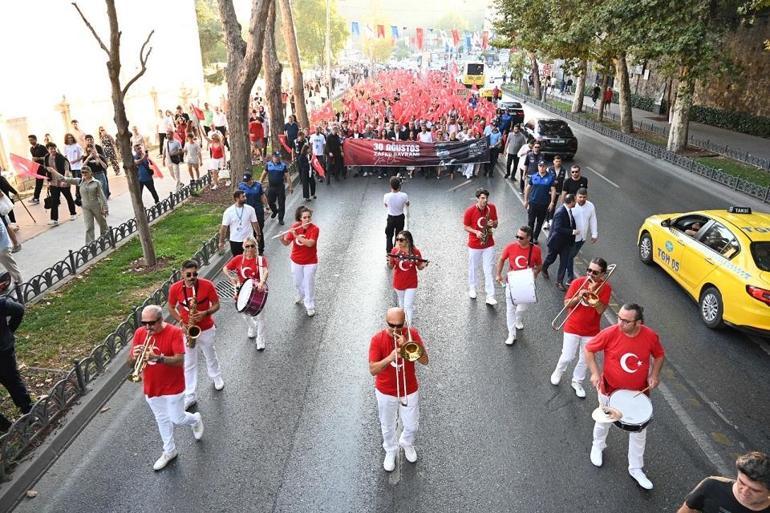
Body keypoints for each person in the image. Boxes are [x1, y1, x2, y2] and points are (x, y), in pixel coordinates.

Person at [585, 303, 665, 490]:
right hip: (609, 389)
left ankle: (636, 468)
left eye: (626, 321)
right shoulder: (610, 333)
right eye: (619, 318)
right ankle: (598, 446)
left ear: (639, 322)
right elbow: (589, 349)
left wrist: (654, 374)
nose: (620, 323)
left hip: (637, 393)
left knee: (639, 432)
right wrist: (595, 373)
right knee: (603, 421)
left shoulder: (650, 336)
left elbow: (659, 355)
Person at [128, 304, 203, 470]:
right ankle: (169, 451)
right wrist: (135, 357)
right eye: (144, 323)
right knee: (161, 419)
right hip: (152, 386)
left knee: (177, 418)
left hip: (173, 386)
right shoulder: (140, 333)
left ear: (161, 319)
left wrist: (158, 357)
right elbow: (130, 363)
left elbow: (179, 360)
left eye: (151, 323)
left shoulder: (174, 332)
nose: (147, 327)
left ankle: (195, 419)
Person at [368, 307, 429, 472]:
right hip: (385, 391)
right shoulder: (377, 339)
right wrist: (389, 358)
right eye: (391, 325)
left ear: (405, 322)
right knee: (387, 425)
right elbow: (373, 369)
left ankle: (406, 442)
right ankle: (390, 449)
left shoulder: (412, 334)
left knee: (412, 425)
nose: (395, 329)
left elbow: (425, 360)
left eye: (399, 325)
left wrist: (409, 345)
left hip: (409, 389)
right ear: (386, 322)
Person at [550, 257, 611, 397]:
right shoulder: (578, 282)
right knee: (567, 356)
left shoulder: (606, 288)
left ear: (602, 274)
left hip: (591, 331)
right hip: (572, 326)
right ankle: (558, 371)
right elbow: (566, 303)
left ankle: (577, 381)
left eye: (595, 272)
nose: (590, 274)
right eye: (588, 270)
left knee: (585, 359)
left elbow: (601, 310)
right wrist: (579, 296)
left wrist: (593, 298)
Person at [168, 260, 223, 410]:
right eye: (189, 274)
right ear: (182, 274)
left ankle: (216, 376)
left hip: (205, 328)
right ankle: (190, 394)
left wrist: (205, 313)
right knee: (189, 363)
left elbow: (217, 304)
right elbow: (171, 307)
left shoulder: (206, 285)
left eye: (195, 274)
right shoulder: (175, 288)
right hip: (188, 330)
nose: (192, 277)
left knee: (209, 354)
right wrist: (181, 321)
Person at [677, 451, 770, 513]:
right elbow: (687, 509)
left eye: (755, 490)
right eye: (742, 482)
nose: (744, 491)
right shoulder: (712, 485)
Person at [495, 225, 542, 345]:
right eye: (517, 236)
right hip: (512, 282)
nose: (518, 239)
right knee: (510, 309)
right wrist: (498, 274)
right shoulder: (510, 247)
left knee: (522, 308)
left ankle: (518, 319)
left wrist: (535, 273)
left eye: (521, 237)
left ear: (529, 238)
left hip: (526, 283)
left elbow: (539, 265)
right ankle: (511, 334)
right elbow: (501, 259)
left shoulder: (536, 250)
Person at [0, 273, 31, 434]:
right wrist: (9, 331)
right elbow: (19, 310)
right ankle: (29, 413)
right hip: (3, 351)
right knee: (13, 381)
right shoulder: (2, 303)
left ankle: (5, 427)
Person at [225, 237, 268, 350]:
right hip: (241, 290)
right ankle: (252, 327)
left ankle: (260, 339)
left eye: (252, 246)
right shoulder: (238, 258)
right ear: (244, 247)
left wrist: (262, 282)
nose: (249, 248)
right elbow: (225, 268)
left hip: (257, 291)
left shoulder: (260, 259)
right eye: (247, 246)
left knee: (260, 317)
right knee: (244, 314)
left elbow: (265, 271)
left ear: (255, 247)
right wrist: (231, 278)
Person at [47, 165, 108, 244]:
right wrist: (53, 171)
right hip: (86, 207)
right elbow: (64, 179)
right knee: (89, 226)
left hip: (96, 206)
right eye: (82, 172)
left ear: (90, 173)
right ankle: (90, 244)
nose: (84, 174)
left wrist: (105, 207)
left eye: (86, 172)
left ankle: (106, 237)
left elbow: (102, 196)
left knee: (102, 223)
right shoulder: (79, 181)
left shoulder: (96, 183)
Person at [281, 206, 319, 317]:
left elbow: (310, 243)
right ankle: (300, 294)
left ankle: (310, 305)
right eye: (304, 217)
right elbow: (286, 243)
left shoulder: (315, 229)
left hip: (310, 262)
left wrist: (296, 235)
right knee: (297, 282)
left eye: (309, 217)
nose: (307, 219)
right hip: (296, 260)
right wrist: (281, 239)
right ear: (300, 218)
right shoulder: (295, 226)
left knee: (308, 283)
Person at [463, 188, 499, 305]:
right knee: (473, 267)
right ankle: (472, 289)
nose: (485, 200)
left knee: (488, 269)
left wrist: (493, 223)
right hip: (474, 244)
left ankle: (490, 296)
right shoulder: (470, 211)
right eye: (482, 198)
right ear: (477, 198)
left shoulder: (491, 208)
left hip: (488, 243)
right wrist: (476, 232)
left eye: (486, 198)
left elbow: (496, 224)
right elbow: (465, 226)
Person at [387, 230, 427, 325]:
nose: (398, 242)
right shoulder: (394, 251)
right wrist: (389, 261)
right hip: (399, 283)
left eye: (401, 240)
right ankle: (404, 321)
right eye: (397, 239)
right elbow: (391, 267)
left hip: (411, 283)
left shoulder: (415, 252)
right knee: (402, 304)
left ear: (408, 241)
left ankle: (408, 327)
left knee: (408, 305)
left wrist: (423, 265)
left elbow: (419, 267)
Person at [542, 194, 578, 291]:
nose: (576, 202)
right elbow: (558, 228)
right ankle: (544, 268)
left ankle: (559, 282)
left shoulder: (569, 210)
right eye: (575, 200)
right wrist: (572, 232)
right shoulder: (560, 212)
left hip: (566, 243)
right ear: (571, 202)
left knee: (564, 262)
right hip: (556, 242)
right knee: (551, 258)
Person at [566, 188, 598, 283]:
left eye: (584, 197)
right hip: (572, 238)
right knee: (570, 257)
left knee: (571, 256)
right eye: (580, 197)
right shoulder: (572, 206)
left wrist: (594, 234)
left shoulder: (590, 206)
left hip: (582, 238)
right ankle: (570, 277)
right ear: (576, 196)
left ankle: (566, 266)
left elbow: (593, 220)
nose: (582, 199)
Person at [44, 142, 78, 226]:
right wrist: (47, 181)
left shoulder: (62, 158)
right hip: (53, 182)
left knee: (68, 197)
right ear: (48, 150)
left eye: (54, 148)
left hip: (63, 180)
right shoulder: (47, 158)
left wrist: (64, 181)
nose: (53, 150)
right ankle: (54, 219)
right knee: (54, 200)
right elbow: (46, 169)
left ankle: (73, 213)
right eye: (51, 149)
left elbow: (66, 170)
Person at [219, 190, 261, 257]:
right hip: (235, 241)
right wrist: (221, 241)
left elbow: (255, 223)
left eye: (245, 196)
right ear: (237, 198)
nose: (245, 198)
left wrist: (258, 234)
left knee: (250, 258)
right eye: (243, 197)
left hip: (249, 240)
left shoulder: (250, 209)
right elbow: (224, 227)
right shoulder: (228, 212)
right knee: (238, 260)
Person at [524, 161, 557, 243]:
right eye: (540, 166)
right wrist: (526, 200)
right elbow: (528, 188)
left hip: (544, 204)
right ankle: (530, 237)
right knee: (531, 221)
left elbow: (553, 190)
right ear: (538, 167)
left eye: (543, 166)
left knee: (540, 222)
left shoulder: (550, 177)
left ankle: (535, 237)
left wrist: (552, 202)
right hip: (533, 203)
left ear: (546, 167)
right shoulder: (534, 176)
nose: (542, 168)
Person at [238, 173, 269, 255]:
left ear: (251, 179)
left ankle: (260, 248)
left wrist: (266, 206)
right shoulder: (241, 186)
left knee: (258, 230)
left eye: (248, 181)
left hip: (257, 211)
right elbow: (239, 198)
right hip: (247, 212)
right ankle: (249, 248)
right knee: (248, 231)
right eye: (245, 181)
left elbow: (262, 197)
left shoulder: (258, 185)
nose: (246, 182)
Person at [262, 152, 293, 225]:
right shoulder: (268, 165)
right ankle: (275, 211)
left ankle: (281, 218)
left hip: (280, 187)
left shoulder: (283, 166)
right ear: (273, 157)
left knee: (281, 203)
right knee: (270, 201)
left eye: (279, 157)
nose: (278, 158)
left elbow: (287, 176)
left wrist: (290, 187)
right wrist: (260, 182)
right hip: (271, 187)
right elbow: (264, 174)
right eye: (276, 157)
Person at [384, 177, 409, 253]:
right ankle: (397, 250)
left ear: (391, 186)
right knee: (399, 235)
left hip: (391, 217)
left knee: (389, 235)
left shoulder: (386, 196)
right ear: (399, 186)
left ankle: (389, 251)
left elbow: (386, 205)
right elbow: (407, 204)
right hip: (400, 217)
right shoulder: (404, 195)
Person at [544, 155, 566, 231]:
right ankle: (547, 220)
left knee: (553, 204)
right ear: (553, 162)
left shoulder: (564, 170)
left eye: (559, 161)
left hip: (557, 191)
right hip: (549, 190)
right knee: (548, 204)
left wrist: (563, 192)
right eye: (556, 161)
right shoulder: (549, 169)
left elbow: (565, 181)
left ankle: (550, 219)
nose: (558, 163)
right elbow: (545, 178)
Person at [28, 135, 48, 204]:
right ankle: (36, 198)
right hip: (38, 168)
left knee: (51, 181)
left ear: (35, 139)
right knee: (38, 183)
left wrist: (39, 158)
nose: (30, 141)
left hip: (45, 167)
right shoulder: (31, 149)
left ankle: (57, 195)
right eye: (29, 140)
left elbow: (48, 157)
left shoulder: (42, 147)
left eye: (32, 140)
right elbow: (34, 158)